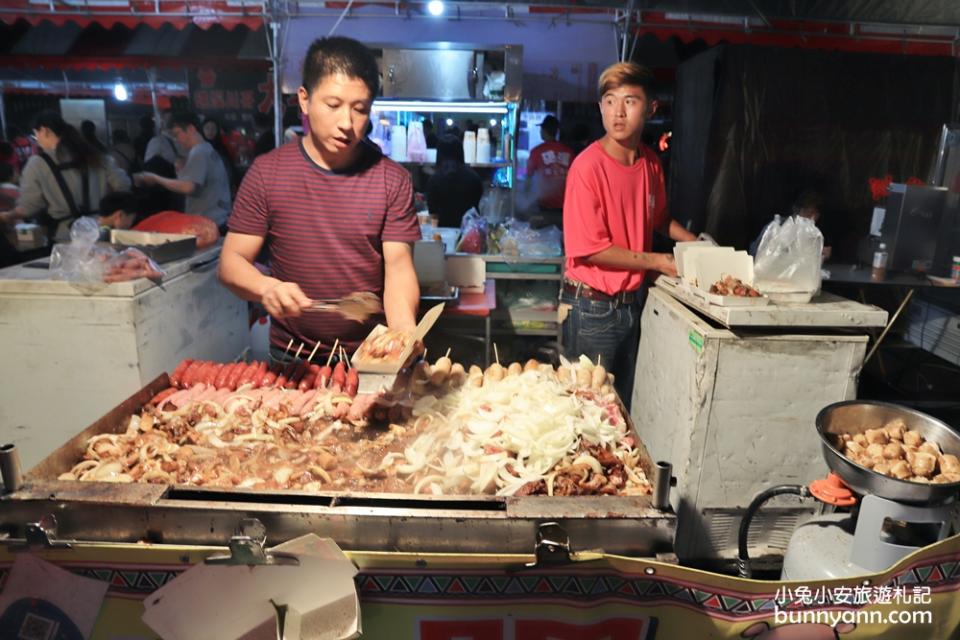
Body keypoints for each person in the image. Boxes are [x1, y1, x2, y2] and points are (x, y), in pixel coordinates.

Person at [218, 36, 421, 363]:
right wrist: (265, 287)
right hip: (292, 356)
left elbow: (398, 269)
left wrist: (403, 332)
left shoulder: (391, 179)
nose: (346, 123)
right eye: (333, 105)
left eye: (360, 110)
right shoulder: (268, 173)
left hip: (370, 355)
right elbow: (231, 263)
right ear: (304, 99)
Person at [561, 62, 697, 409]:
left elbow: (658, 217)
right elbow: (591, 249)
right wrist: (659, 261)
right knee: (588, 410)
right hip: (592, 308)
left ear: (651, 108)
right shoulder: (587, 167)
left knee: (621, 407)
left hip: (630, 305)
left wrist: (698, 248)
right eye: (609, 101)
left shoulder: (650, 163)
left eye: (630, 101)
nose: (617, 112)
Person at [0, 110, 130, 242]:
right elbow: (123, 185)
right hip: (100, 231)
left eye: (36, 135)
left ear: (45, 131)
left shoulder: (37, 163)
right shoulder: (96, 156)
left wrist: (7, 216)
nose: (37, 141)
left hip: (65, 238)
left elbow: (29, 207)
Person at [134, 110, 232, 230]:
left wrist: (156, 178)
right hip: (218, 219)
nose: (176, 139)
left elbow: (188, 187)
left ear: (191, 129)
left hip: (208, 223)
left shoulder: (199, 152)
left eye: (177, 134)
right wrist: (181, 171)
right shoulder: (207, 148)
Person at [426, 134, 484, 229]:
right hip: (469, 233)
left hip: (442, 236)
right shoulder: (474, 177)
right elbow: (477, 208)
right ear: (461, 152)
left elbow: (433, 214)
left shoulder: (434, 179)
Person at [749, 189, 825, 257]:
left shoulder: (812, 233)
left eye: (816, 215)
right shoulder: (777, 227)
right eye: (809, 213)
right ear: (796, 210)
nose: (812, 219)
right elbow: (756, 253)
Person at [526, 114, 574, 212]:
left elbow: (528, 178)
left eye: (541, 129)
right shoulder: (569, 152)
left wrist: (526, 198)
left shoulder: (537, 151)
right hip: (566, 205)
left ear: (543, 130)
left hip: (544, 205)